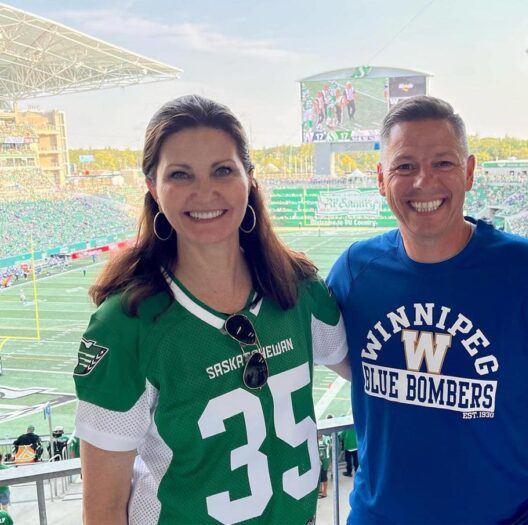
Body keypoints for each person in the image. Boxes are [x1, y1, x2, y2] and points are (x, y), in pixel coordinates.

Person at [325, 96, 528, 524]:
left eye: (443, 163)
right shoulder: (355, 270)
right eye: (404, 166)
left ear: (470, 172)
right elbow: (344, 357)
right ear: (381, 180)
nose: (424, 181)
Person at [73, 95, 348, 525]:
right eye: (180, 175)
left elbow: (379, 376)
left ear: (249, 178)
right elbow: (104, 509)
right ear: (152, 187)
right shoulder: (125, 326)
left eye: (223, 170)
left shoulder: (298, 288)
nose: (205, 193)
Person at [317, 431, 331, 498]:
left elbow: (329, 448)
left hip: (323, 462)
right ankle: (320, 491)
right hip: (316, 462)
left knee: (323, 477)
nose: (318, 433)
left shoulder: (326, 439)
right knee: (318, 477)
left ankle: (324, 493)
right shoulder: (313, 439)